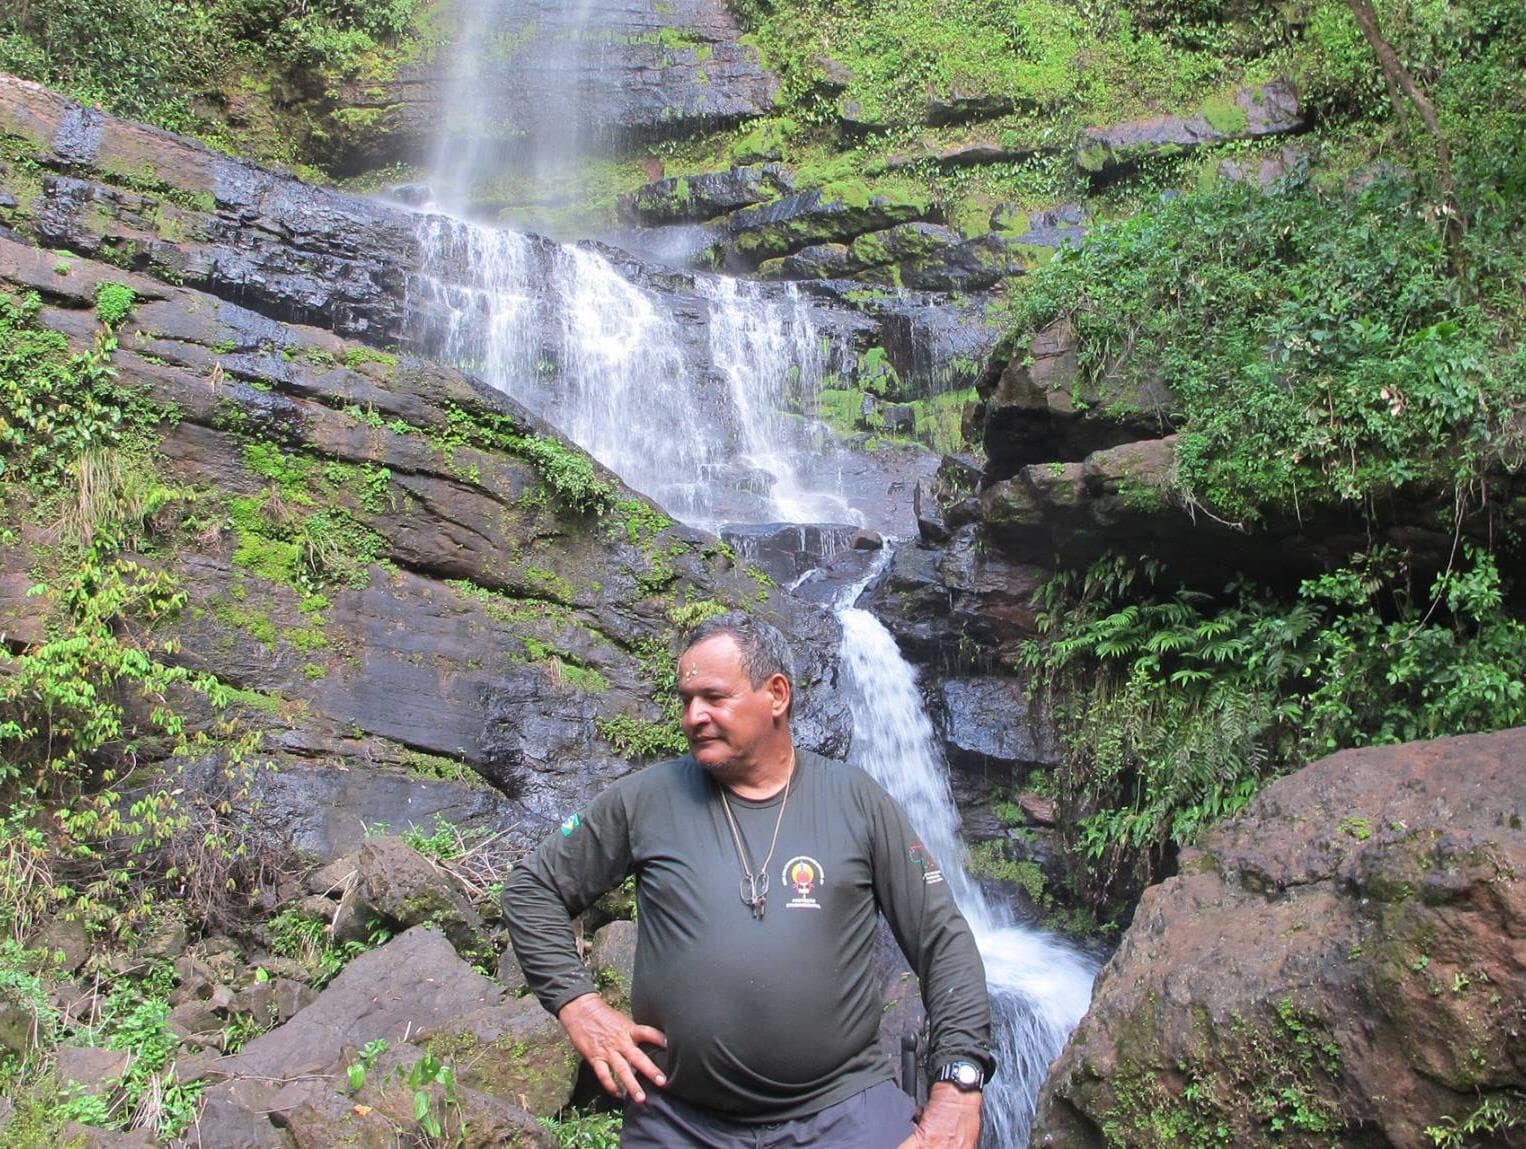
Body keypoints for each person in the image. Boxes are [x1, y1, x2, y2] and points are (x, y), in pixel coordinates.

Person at [503, 611, 993, 1148]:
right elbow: (533, 890)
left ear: (776, 694)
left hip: (843, 1110)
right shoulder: (645, 800)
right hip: (678, 1119)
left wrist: (958, 1085)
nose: (694, 715)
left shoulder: (857, 800)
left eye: (714, 697)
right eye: (686, 699)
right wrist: (579, 1005)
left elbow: (942, 939)